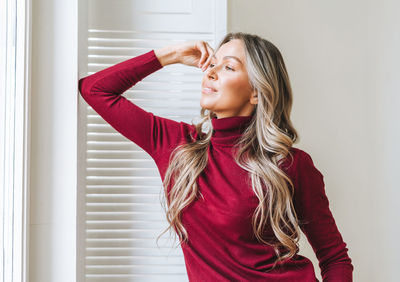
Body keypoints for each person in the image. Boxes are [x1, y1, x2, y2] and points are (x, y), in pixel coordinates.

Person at [78, 31, 354, 282]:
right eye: (212, 64)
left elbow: (335, 258)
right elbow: (95, 89)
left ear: (257, 92)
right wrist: (170, 55)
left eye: (229, 67)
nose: (210, 73)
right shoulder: (177, 145)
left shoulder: (291, 164)